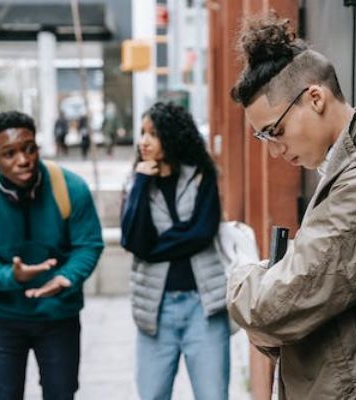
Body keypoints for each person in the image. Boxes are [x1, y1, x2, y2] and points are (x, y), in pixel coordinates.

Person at [226, 15, 356, 400]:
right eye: (263, 137)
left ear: (315, 98)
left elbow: (270, 308)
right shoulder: (340, 171)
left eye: (276, 131)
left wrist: (241, 277)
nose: (274, 150)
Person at [0, 111, 104, 400]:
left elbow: (89, 244)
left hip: (59, 315)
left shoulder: (70, 188)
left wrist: (66, 277)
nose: (23, 160)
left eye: (29, 148)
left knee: (62, 394)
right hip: (1, 318)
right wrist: (12, 276)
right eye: (9, 153)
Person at [121, 102, 230, 400]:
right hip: (155, 310)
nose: (144, 141)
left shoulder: (201, 175)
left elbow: (201, 233)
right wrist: (141, 182)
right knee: (152, 395)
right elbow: (132, 240)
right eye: (142, 133)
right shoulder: (136, 182)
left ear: (172, 136)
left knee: (213, 396)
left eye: (153, 134)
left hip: (203, 307)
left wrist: (152, 248)